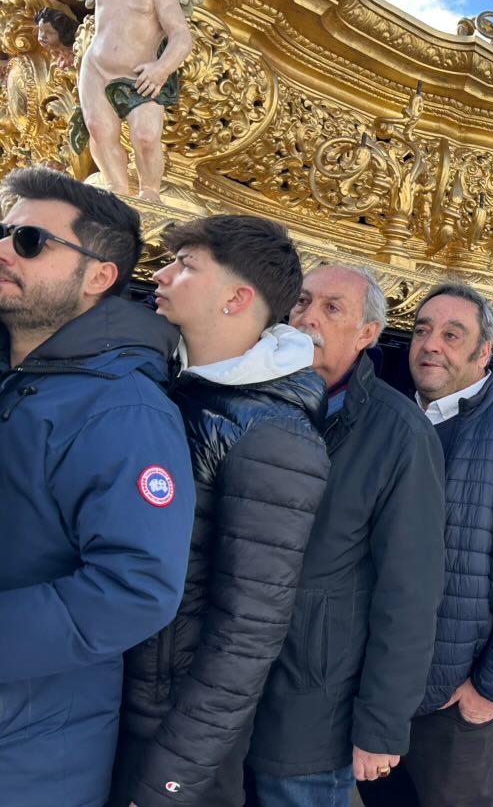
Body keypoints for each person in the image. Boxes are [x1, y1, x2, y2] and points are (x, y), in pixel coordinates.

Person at [110, 214, 331, 806]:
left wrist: (168, 781)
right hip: (120, 702)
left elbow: (248, 634)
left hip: (173, 737)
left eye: (186, 265)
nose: (162, 274)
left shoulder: (272, 436)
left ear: (237, 298)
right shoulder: (175, 386)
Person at [0, 168, 195, 807]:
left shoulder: (125, 412)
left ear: (99, 276)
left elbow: (134, 588)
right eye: (3, 231)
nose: (5, 247)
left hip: (29, 753)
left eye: (29, 241)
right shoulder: (19, 376)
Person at [358, 282, 493, 807]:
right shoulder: (384, 419)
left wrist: (491, 688)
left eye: (452, 335)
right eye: (422, 330)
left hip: (456, 703)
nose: (431, 344)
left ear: (484, 353)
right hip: (376, 688)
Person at [245, 264, 446, 804]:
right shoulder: (251, 400)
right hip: (226, 692)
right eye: (303, 302)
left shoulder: (399, 433)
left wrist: (381, 726)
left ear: (367, 335)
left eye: (332, 308)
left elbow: (409, 593)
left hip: (311, 704)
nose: (309, 317)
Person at [51, 0, 193, 201]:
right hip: (96, 69)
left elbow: (182, 37)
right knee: (99, 131)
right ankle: (116, 187)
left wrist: (161, 69)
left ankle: (149, 191)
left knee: (147, 137)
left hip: (141, 75)